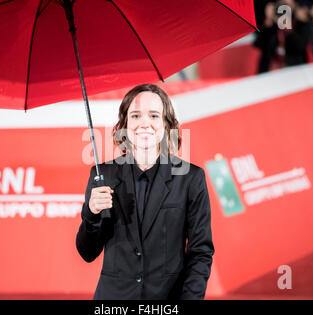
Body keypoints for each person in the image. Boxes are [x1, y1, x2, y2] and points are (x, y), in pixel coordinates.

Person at [76, 83, 215, 300]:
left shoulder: (191, 179)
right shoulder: (103, 175)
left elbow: (200, 253)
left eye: (153, 115)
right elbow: (87, 252)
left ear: (167, 124)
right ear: (124, 124)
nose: (144, 124)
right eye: (136, 115)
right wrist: (91, 214)